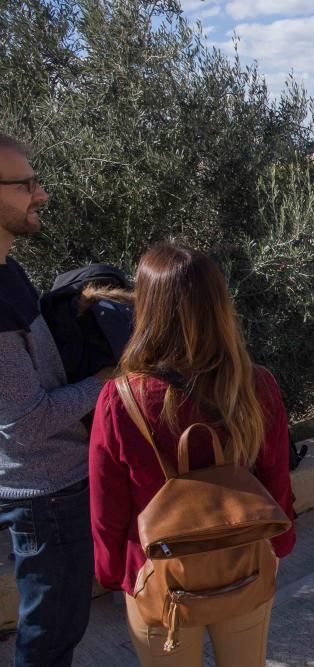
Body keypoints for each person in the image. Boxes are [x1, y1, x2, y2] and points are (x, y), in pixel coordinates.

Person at [89, 244, 296, 666]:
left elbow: (107, 503)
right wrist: (282, 542)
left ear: (146, 307)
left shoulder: (120, 398)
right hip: (245, 565)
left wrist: (113, 572)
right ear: (219, 304)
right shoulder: (255, 386)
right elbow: (276, 475)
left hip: (159, 577)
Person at [0, 134, 114, 666]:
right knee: (49, 637)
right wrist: (110, 379)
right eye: (24, 184)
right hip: (42, 493)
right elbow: (26, 422)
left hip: (56, 484)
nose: (40, 193)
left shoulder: (11, 271)